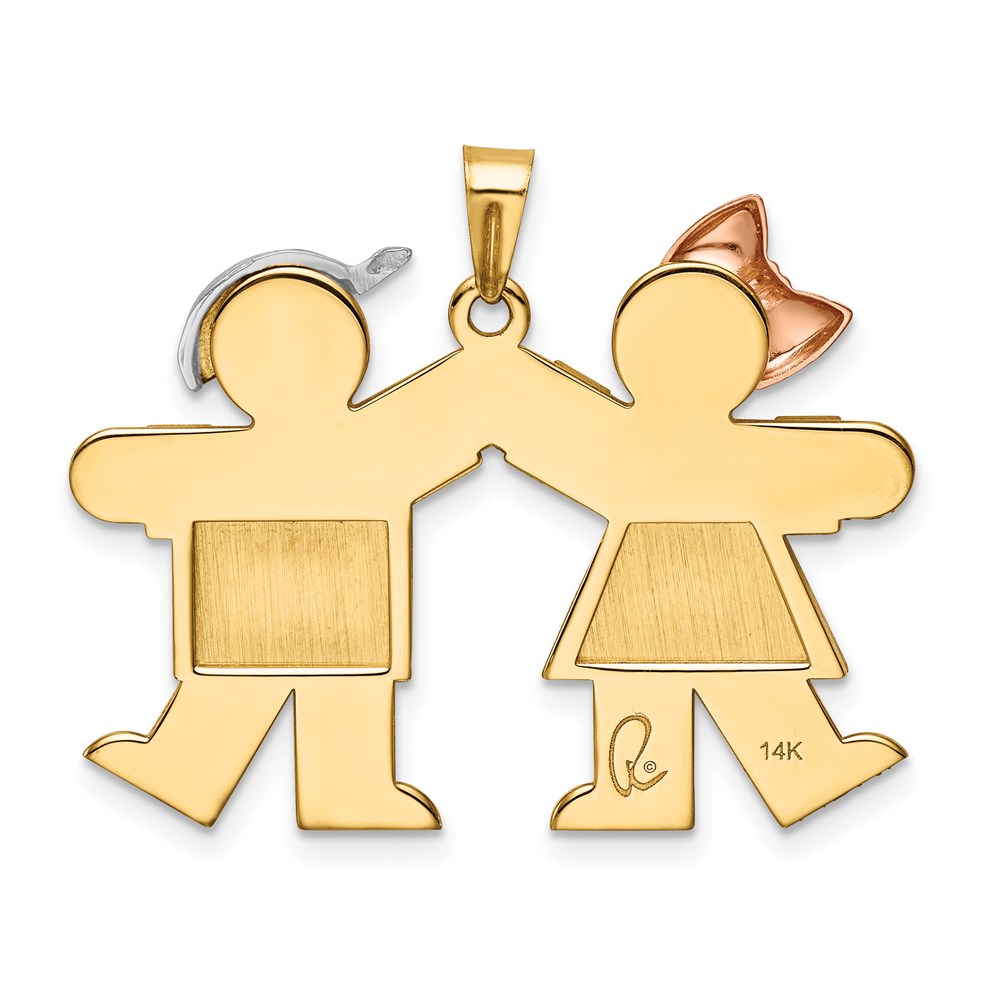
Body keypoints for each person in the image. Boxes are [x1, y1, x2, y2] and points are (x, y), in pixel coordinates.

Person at [485, 262, 913, 828]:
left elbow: (543, 427)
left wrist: (500, 372)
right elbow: (861, 469)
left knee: (675, 686)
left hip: (647, 595)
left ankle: (662, 795)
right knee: (739, 682)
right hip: (719, 593)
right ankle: (789, 772)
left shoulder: (617, 437)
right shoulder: (720, 448)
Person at [71, 266, 498, 828]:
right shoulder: (380, 437)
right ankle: (222, 777)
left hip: (303, 620)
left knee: (290, 705)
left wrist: (483, 370)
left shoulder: (228, 457)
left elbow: (104, 475)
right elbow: (458, 415)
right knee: (287, 703)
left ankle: (318, 790)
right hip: (307, 619)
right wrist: (485, 368)